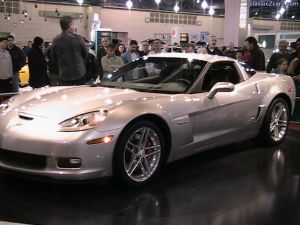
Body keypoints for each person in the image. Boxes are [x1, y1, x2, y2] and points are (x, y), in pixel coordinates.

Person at [51, 16, 88, 86]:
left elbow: (53, 58)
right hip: (79, 73)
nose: (75, 26)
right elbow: (85, 55)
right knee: (80, 94)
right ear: (69, 26)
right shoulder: (79, 38)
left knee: (67, 94)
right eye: (73, 24)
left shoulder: (55, 40)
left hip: (64, 75)